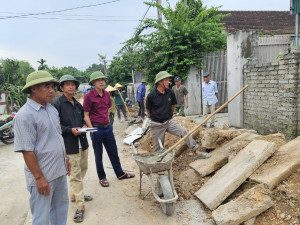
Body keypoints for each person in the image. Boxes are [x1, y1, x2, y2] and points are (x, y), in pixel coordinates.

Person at [13, 70, 71, 225]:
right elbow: (27, 150)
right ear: (33, 88)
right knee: (41, 219)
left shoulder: (51, 109)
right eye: (47, 86)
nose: (52, 90)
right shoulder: (24, 115)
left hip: (58, 172)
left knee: (60, 212)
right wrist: (39, 178)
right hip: (43, 177)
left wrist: (66, 158)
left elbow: (58, 136)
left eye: (52, 86)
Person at [83, 71, 135, 188]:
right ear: (93, 83)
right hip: (96, 129)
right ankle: (102, 177)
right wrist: (91, 129)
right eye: (98, 80)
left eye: (103, 79)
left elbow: (106, 109)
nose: (101, 82)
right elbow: (86, 115)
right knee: (98, 154)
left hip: (107, 128)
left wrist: (108, 123)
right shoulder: (88, 97)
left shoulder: (107, 94)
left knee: (113, 152)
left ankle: (120, 173)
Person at [52, 74, 92, 223]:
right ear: (61, 88)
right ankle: (80, 205)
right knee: (75, 174)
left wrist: (82, 126)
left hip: (82, 142)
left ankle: (75, 194)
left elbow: (82, 119)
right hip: (69, 145)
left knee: (83, 169)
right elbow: (55, 126)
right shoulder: (57, 105)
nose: (71, 87)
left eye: (73, 84)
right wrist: (70, 130)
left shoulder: (78, 104)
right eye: (67, 84)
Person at [146, 71, 210, 158]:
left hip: (169, 121)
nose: (169, 82)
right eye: (166, 80)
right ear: (160, 82)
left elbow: (172, 106)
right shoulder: (151, 96)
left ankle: (196, 152)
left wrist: (167, 115)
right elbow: (148, 111)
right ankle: (159, 166)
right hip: (157, 124)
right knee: (157, 148)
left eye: (168, 80)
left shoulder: (170, 93)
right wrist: (156, 118)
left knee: (184, 131)